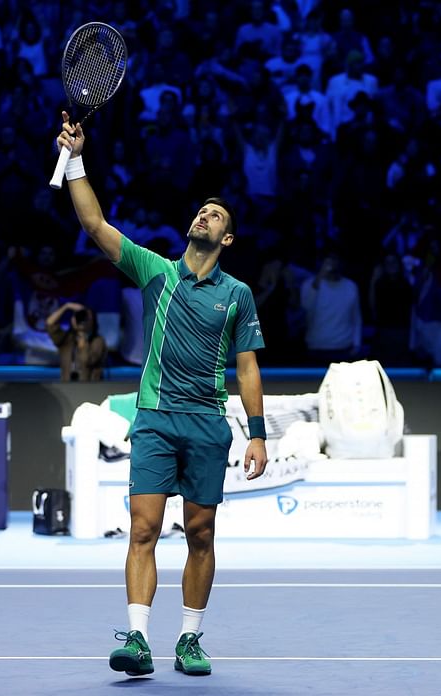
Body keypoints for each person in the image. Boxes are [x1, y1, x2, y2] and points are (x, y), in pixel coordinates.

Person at [55, 111, 268, 677]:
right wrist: (75, 158)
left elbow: (247, 369)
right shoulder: (157, 271)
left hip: (205, 423)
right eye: (201, 209)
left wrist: (259, 434)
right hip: (154, 418)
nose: (204, 214)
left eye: (216, 214)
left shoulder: (238, 294)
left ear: (227, 237)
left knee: (201, 533)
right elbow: (96, 225)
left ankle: (190, 639)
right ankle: (139, 640)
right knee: (144, 528)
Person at [45, 301, 107, 382]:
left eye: (85, 317)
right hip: (67, 388)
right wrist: (66, 306)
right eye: (78, 316)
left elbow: (86, 360)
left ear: (93, 320)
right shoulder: (67, 339)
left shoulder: (98, 341)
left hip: (90, 389)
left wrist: (83, 336)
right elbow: (50, 323)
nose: (81, 319)